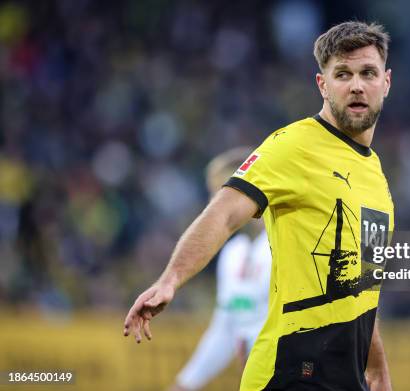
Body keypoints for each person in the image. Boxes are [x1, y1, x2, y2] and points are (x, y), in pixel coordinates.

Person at [124, 21, 395, 391]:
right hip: (290, 372)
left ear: (386, 82)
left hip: (346, 379)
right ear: (323, 85)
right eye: (343, 74)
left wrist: (376, 365)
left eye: (368, 73)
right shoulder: (292, 146)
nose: (357, 85)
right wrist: (170, 279)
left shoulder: (375, 175)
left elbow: (363, 282)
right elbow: (223, 213)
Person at [170, 147, 272, 391]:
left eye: (219, 196)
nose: (211, 207)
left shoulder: (285, 245)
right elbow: (226, 327)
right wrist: (185, 384)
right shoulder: (233, 253)